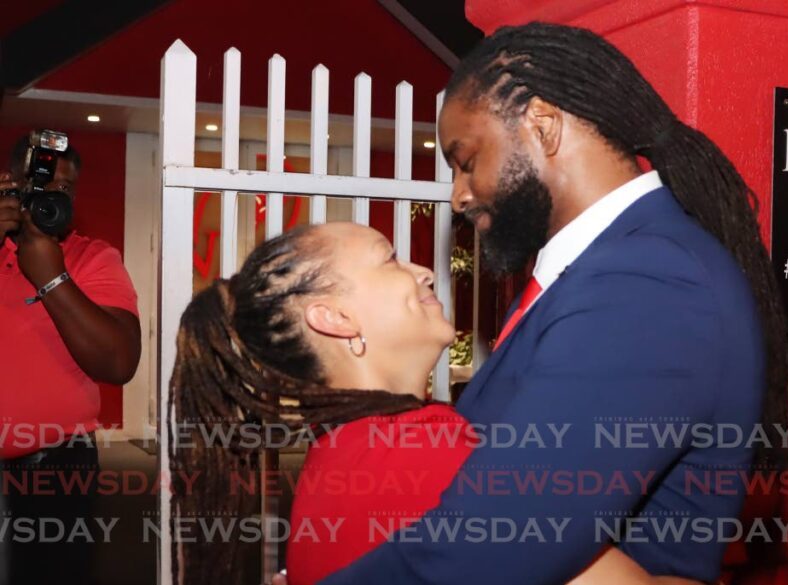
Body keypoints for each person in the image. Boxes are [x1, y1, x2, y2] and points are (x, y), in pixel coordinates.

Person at [307, 21, 788, 585]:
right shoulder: (593, 274)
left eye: (467, 160)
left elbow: (493, 546)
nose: (458, 194)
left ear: (542, 125)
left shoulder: (648, 282)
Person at [169, 222, 700, 585]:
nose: (422, 270)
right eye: (389, 258)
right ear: (335, 319)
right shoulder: (420, 451)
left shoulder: (347, 450)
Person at [0, 134, 141, 584]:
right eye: (38, 183)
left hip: (56, 469)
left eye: (63, 188)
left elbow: (118, 364)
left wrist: (51, 277)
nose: (50, 196)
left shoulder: (92, 258)